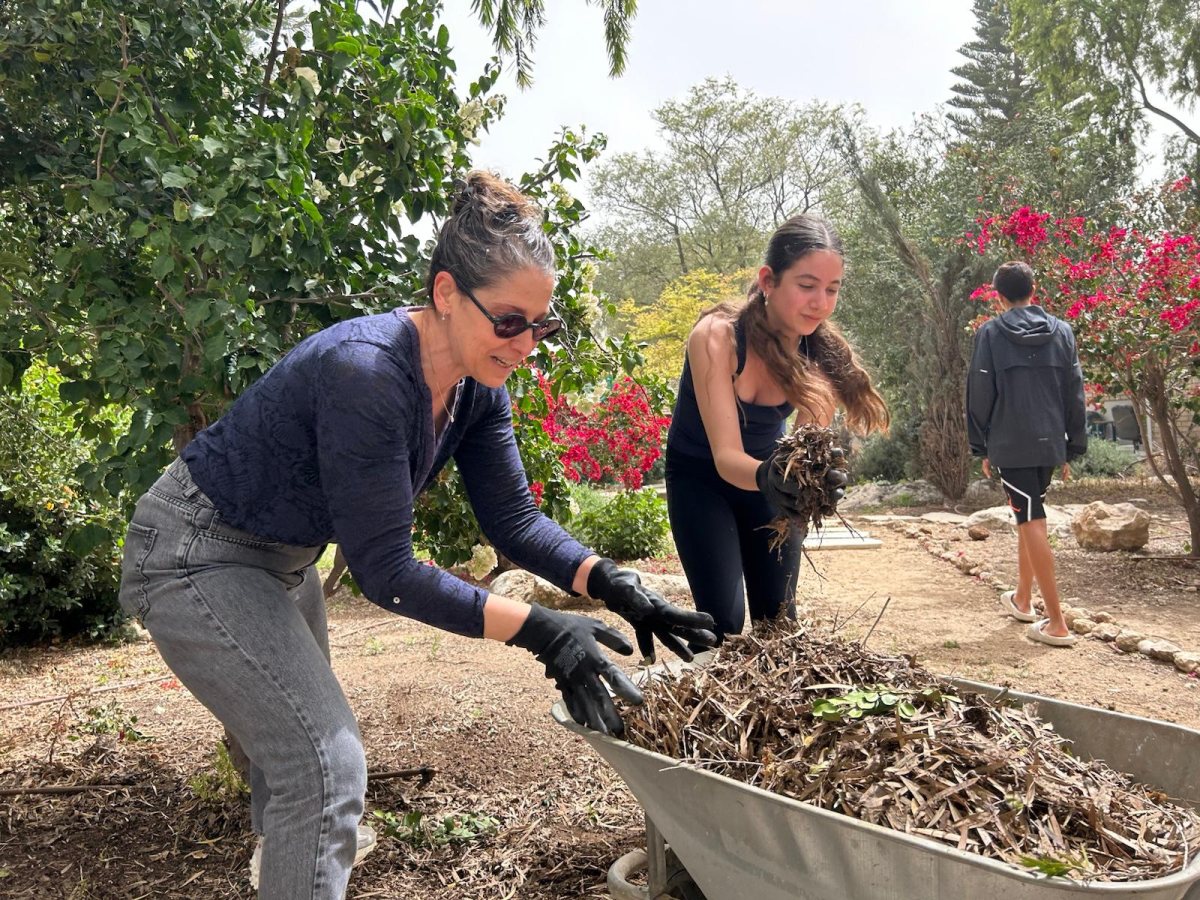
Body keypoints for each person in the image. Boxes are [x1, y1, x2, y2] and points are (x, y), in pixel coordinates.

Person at [116, 170, 716, 899]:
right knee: (324, 764)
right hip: (194, 552)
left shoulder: (477, 385)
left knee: (297, 765)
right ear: (443, 294)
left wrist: (618, 586)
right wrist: (542, 630)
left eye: (541, 325)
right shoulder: (366, 373)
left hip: (282, 559)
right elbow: (386, 572)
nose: (526, 344)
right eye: (509, 321)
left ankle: (288, 870)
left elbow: (514, 520)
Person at [664, 215, 889, 644]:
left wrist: (817, 482)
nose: (820, 302)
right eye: (807, 285)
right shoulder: (716, 337)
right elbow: (726, 457)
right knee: (720, 626)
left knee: (780, 625)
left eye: (832, 289)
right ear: (768, 280)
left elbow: (804, 452)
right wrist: (771, 477)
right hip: (701, 481)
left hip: (771, 485)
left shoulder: (820, 360)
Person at [967, 261, 1087, 648]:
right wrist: (1073, 445)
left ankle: (1057, 623)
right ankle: (1022, 599)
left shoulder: (990, 333)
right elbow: (1075, 391)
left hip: (1011, 443)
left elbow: (980, 392)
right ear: (1034, 289)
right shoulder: (1063, 332)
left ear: (998, 296)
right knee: (1029, 514)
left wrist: (980, 443)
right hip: (1050, 441)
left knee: (1031, 520)